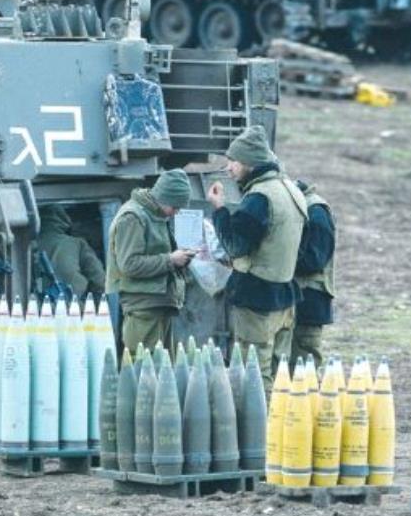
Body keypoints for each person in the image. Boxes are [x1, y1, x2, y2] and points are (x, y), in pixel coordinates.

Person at [207, 125, 308, 391]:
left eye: (234, 162)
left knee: (254, 374)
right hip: (285, 296)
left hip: (257, 300)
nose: (229, 169)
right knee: (280, 372)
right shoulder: (291, 190)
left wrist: (219, 210)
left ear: (250, 164)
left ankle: (259, 432)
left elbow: (234, 246)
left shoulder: (259, 199)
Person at [105, 169, 194, 355]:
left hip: (158, 302)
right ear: (164, 198)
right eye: (175, 207)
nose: (176, 213)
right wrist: (171, 260)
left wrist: (181, 259)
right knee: (144, 368)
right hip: (143, 306)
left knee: (161, 369)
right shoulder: (133, 217)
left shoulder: (155, 215)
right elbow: (129, 264)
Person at [290, 180, 336, 372]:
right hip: (297, 296)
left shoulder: (315, 212)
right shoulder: (305, 208)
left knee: (304, 368)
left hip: (309, 300)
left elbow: (313, 260)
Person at [37, 204, 106, 299]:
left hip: (36, 309)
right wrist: (90, 302)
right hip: (75, 307)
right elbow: (99, 281)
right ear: (64, 221)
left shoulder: (28, 247)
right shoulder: (77, 244)